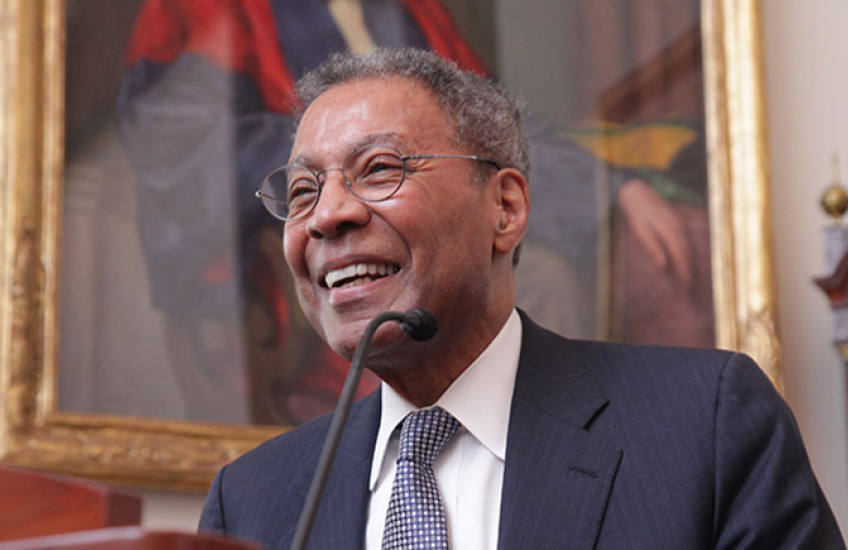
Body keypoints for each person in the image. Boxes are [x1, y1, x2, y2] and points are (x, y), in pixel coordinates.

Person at [197, 48, 844, 549]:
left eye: (380, 169)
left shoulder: (705, 425)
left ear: (504, 208)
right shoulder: (251, 502)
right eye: (302, 192)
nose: (326, 215)